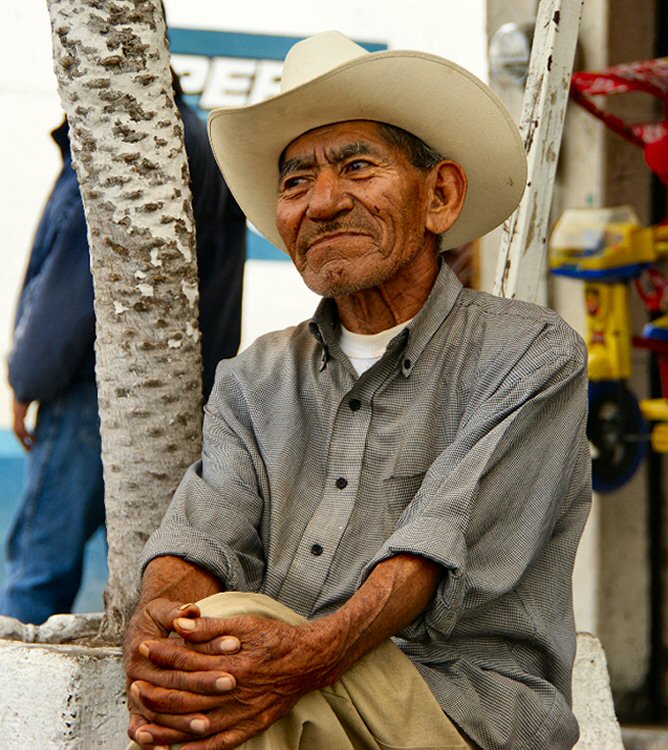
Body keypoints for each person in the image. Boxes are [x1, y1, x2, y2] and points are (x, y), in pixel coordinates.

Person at [123, 32, 591, 750]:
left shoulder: (529, 355)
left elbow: (431, 552)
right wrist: (160, 634)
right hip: (283, 696)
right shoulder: (255, 379)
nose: (323, 202)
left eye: (357, 167)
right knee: (215, 670)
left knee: (237, 682)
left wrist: (295, 658)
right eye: (296, 181)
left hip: (458, 707)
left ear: (440, 196)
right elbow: (199, 539)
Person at [1, 79, 246, 626]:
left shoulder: (117, 140)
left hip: (95, 396)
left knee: (36, 578)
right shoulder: (202, 142)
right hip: (183, 397)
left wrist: (27, 379)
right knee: (149, 582)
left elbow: (70, 286)